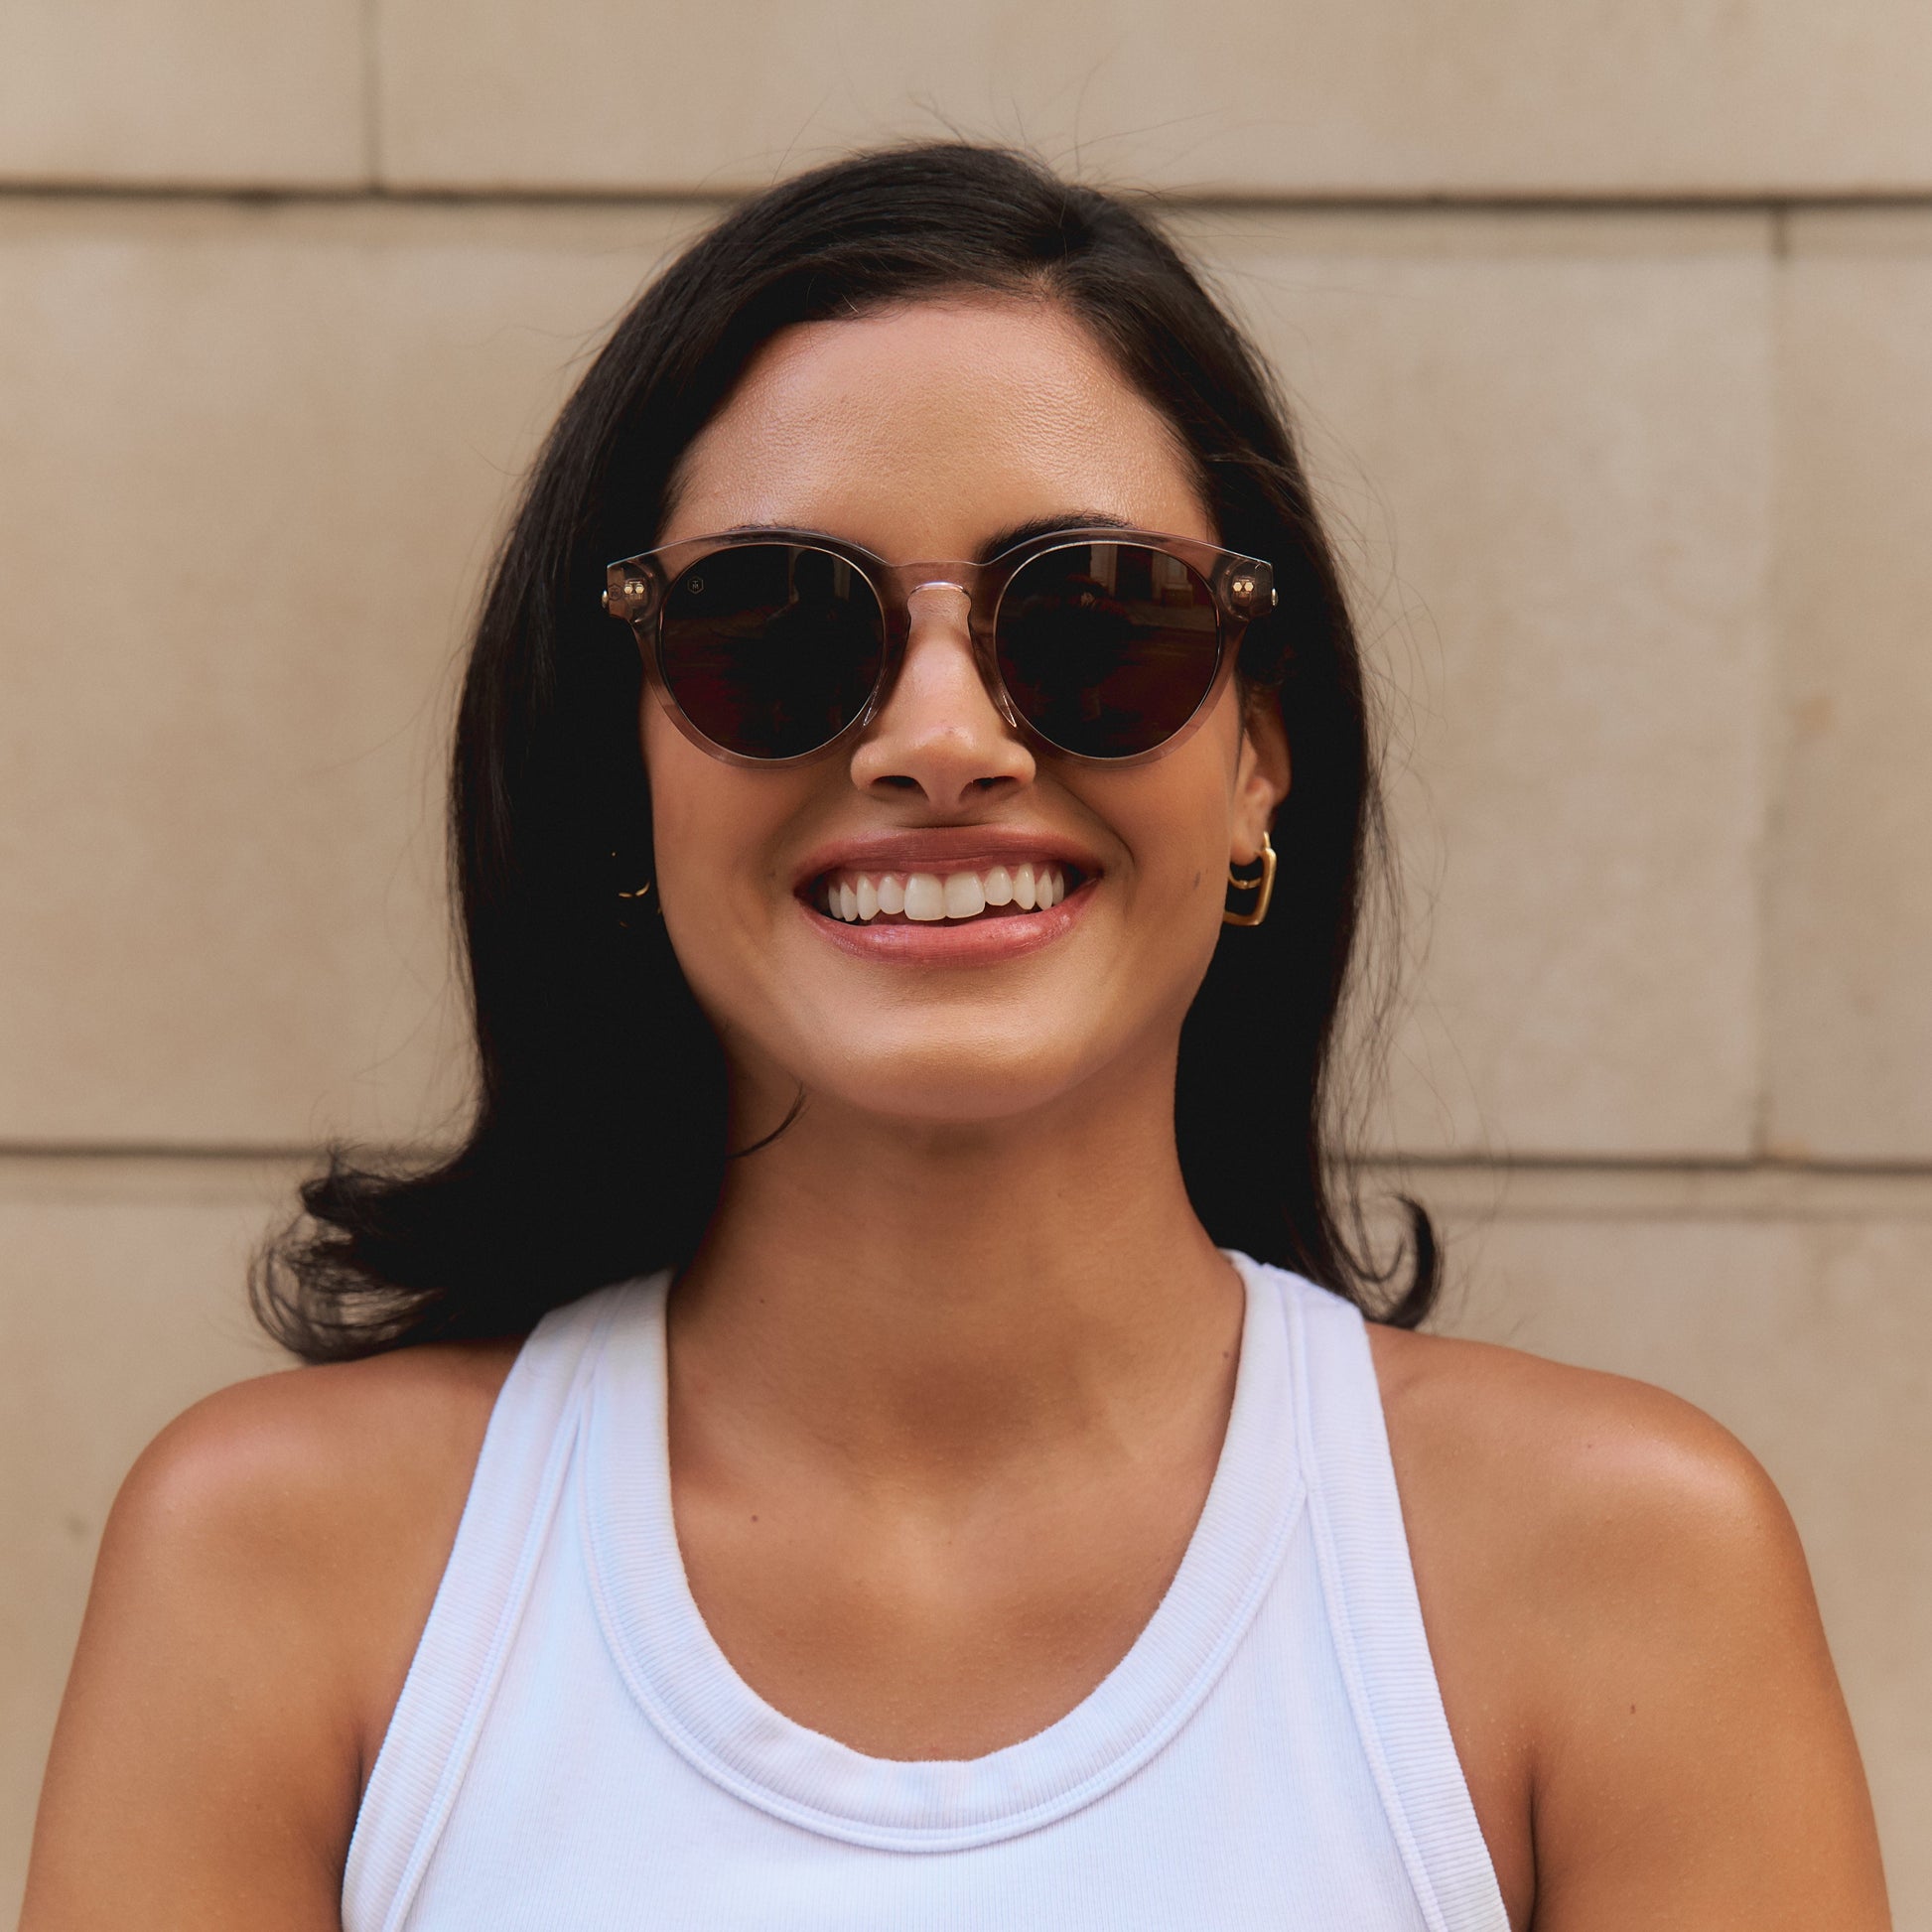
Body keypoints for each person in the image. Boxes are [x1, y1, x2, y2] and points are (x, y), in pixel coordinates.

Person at [22, 143, 1889, 1931]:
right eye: (770, 624)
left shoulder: (1623, 1574)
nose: (941, 740)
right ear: (621, 755)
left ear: (1259, 751)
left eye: (1096, 619)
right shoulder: (275, 1566)